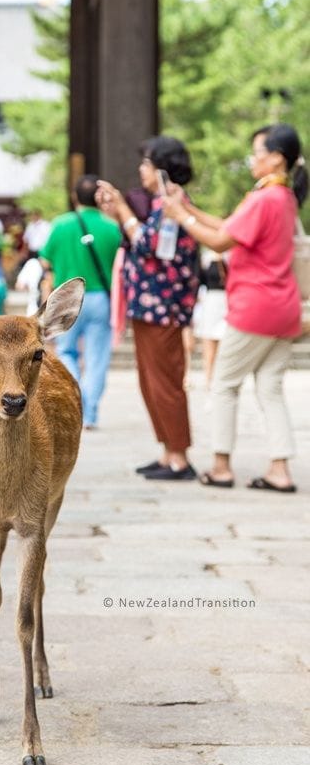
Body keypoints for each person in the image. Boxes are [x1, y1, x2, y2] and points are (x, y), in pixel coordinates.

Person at [162, 123, 307, 492]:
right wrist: (189, 207)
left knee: (224, 384)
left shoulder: (264, 199)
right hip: (283, 306)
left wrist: (181, 218)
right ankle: (280, 469)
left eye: (256, 153)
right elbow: (229, 226)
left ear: (276, 158)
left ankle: (221, 466)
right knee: (270, 388)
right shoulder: (283, 196)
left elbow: (221, 240)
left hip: (256, 305)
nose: (252, 160)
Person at [96, 136, 199, 477]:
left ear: (162, 170)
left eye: (146, 164)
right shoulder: (161, 203)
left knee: (165, 382)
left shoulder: (173, 202)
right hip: (148, 306)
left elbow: (153, 245)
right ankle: (168, 450)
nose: (141, 170)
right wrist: (118, 213)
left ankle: (179, 455)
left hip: (163, 307)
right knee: (150, 381)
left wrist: (124, 210)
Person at [39, 173, 122, 430]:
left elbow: (44, 261)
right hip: (100, 298)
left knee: (67, 352)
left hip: (67, 298)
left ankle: (76, 401)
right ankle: (91, 413)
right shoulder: (112, 227)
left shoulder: (61, 225)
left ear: (74, 196)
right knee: (97, 357)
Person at [194, 249, 229, 390]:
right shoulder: (206, 258)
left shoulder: (229, 257)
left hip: (226, 301)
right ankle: (208, 378)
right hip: (210, 302)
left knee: (224, 343)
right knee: (208, 342)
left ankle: (220, 378)